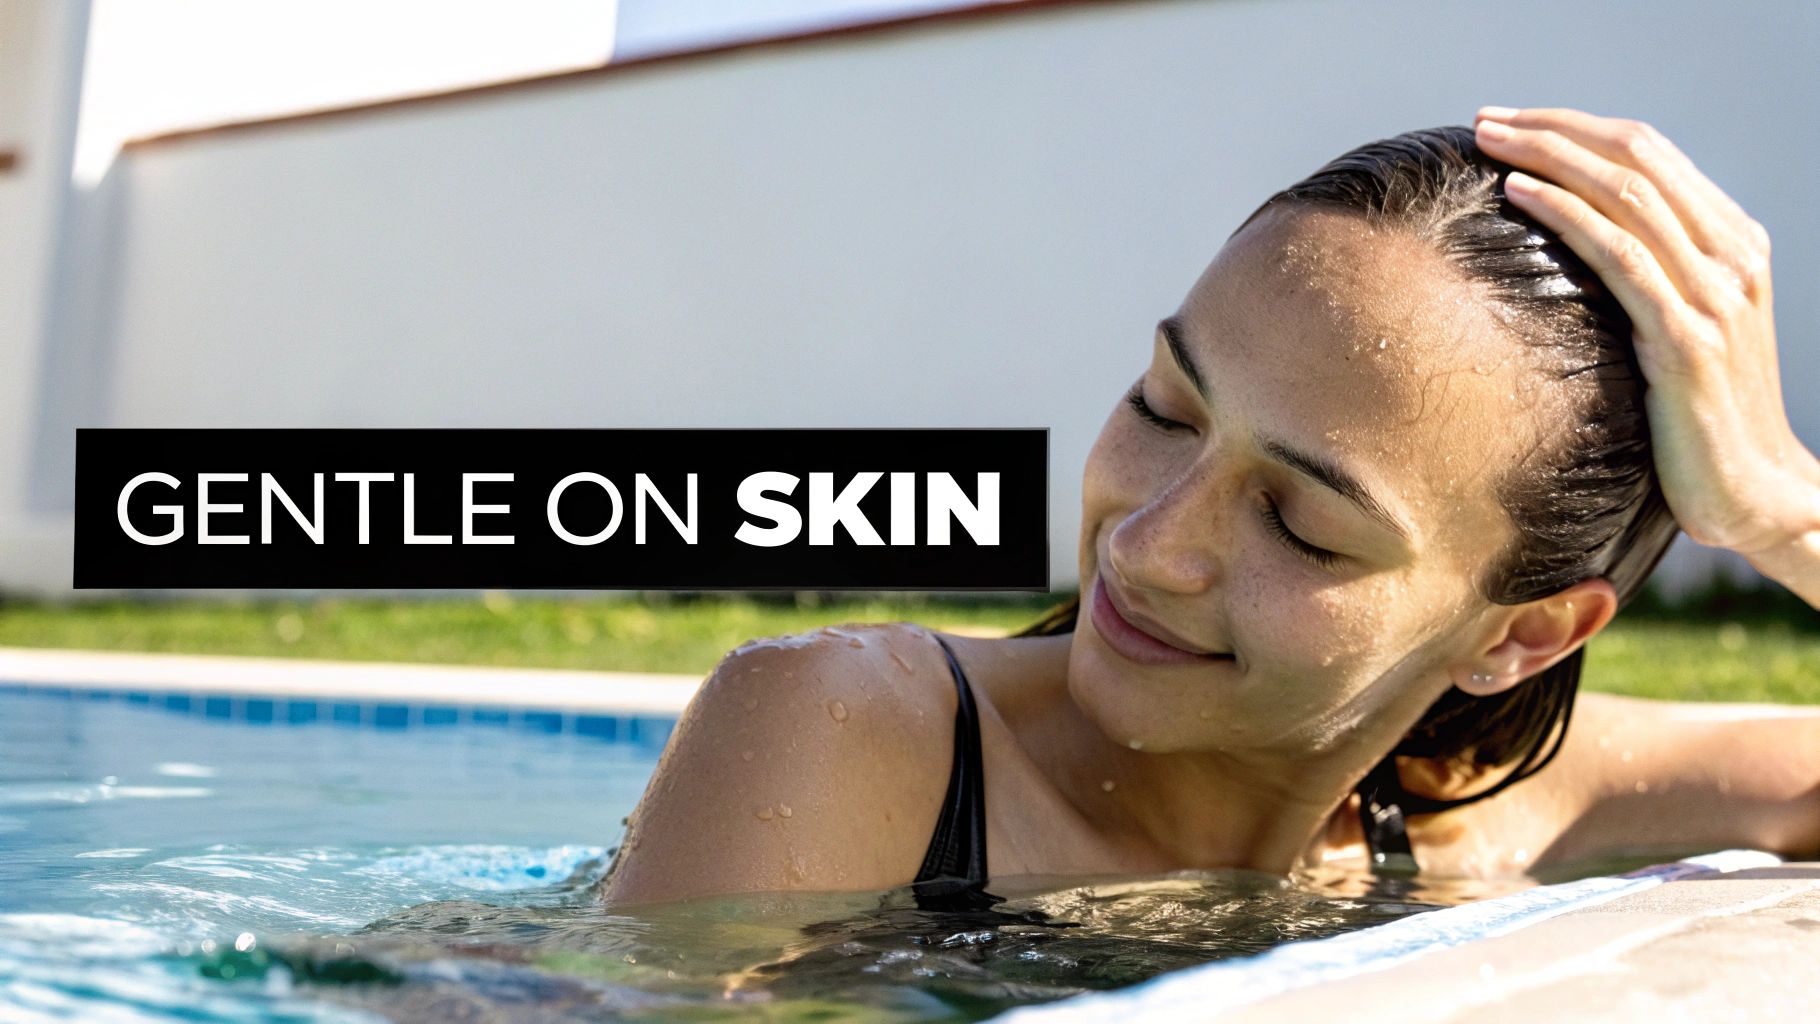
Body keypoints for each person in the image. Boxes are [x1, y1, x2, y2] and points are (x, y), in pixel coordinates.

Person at [598, 107, 1819, 908]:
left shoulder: (1490, 818)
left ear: (1520, 634)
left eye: (1298, 521)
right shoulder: (862, 738)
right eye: (1165, 407)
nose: (1142, 543)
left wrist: (1785, 515)